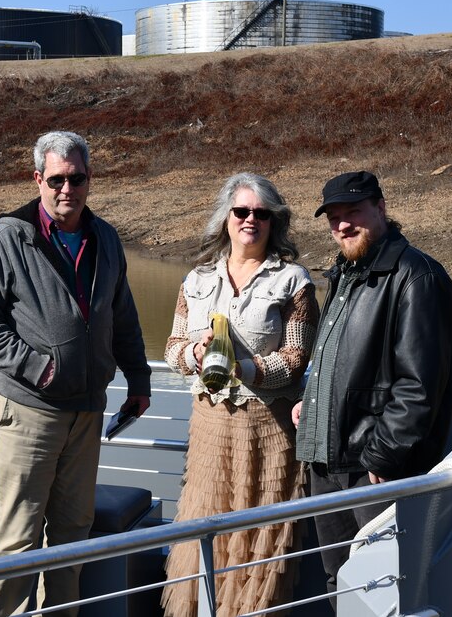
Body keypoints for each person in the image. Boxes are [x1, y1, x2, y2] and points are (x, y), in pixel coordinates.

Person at [0, 130, 152, 617]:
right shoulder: (10, 236)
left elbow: (122, 315)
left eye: (77, 178)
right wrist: (36, 367)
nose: (67, 188)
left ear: (90, 179)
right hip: (28, 410)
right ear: (37, 180)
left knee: (72, 536)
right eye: (56, 179)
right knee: (18, 540)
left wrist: (139, 380)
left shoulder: (105, 237)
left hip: (87, 411)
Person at [292, 170, 452, 597]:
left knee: (383, 587)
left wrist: (383, 457)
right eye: (334, 217)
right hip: (327, 461)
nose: (343, 224)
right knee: (338, 582)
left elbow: (419, 386)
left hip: (373, 471)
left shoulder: (416, 276)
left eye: (354, 212)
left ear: (381, 208)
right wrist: (312, 403)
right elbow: (343, 361)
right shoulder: (345, 275)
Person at [162, 173, 319, 617]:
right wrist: (194, 353)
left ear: (274, 222)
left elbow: (296, 356)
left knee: (259, 545)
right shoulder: (196, 279)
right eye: (242, 211)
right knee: (205, 535)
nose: (251, 220)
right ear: (225, 219)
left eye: (261, 213)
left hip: (267, 432)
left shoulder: (293, 281)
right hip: (210, 430)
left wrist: (245, 368)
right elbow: (171, 348)